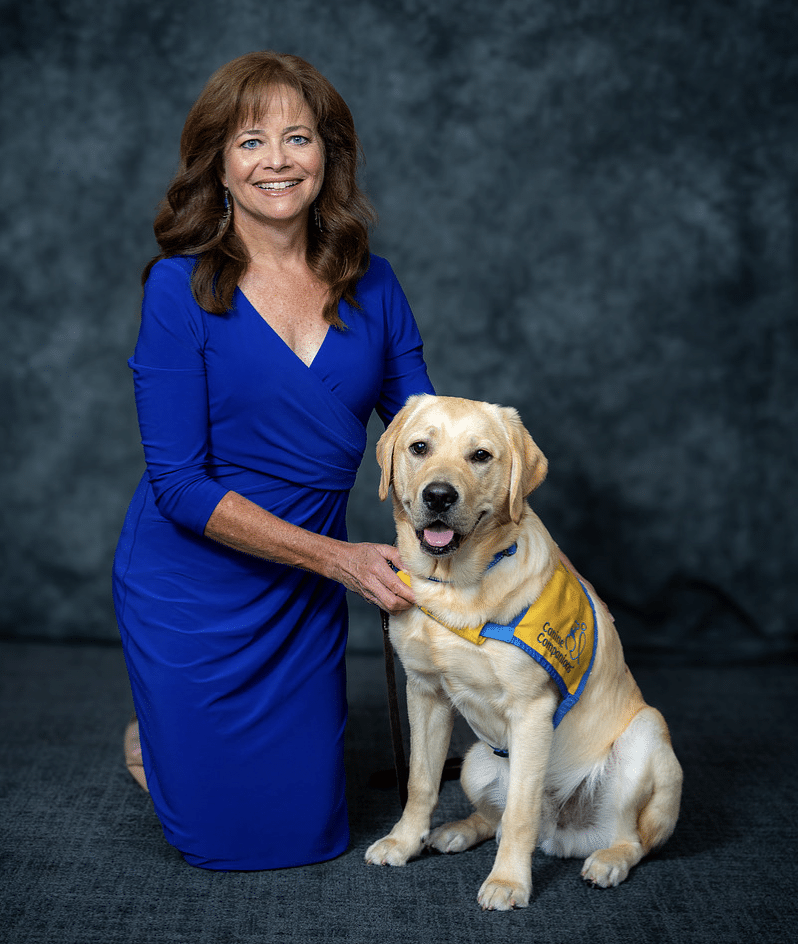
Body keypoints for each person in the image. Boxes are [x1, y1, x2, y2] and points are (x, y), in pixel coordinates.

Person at [113, 51, 434, 871]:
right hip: (192, 588)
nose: (278, 160)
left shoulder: (378, 285)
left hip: (303, 597)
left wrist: (518, 537)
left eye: (298, 137)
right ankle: (159, 727)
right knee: (222, 844)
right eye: (251, 141)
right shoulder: (175, 291)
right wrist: (342, 560)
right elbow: (180, 487)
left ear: (328, 156)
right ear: (219, 164)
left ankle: (176, 732)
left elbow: (424, 433)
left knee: (311, 837)